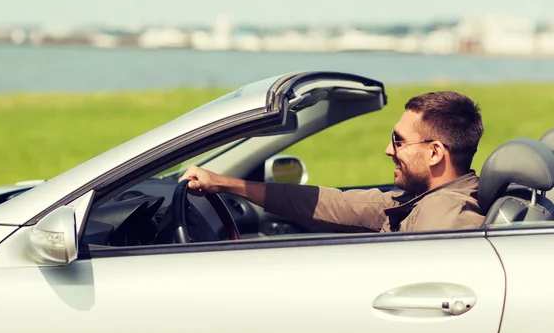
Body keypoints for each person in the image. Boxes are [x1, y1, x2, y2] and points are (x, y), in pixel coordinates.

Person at [179, 91, 485, 233]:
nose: (388, 151)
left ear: (434, 153)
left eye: (399, 141)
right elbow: (336, 203)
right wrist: (225, 184)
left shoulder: (447, 216)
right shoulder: (421, 200)